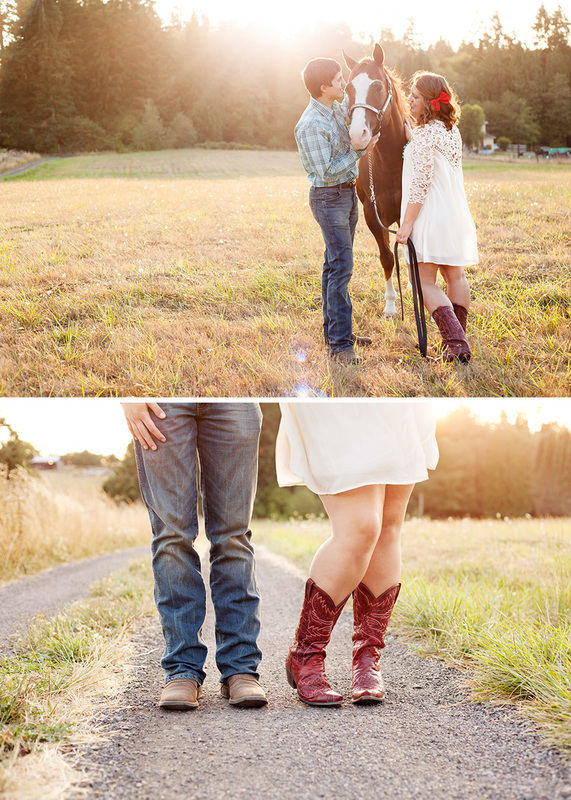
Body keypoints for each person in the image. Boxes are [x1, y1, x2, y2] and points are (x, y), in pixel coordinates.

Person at [276, 401, 438, 706]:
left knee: (387, 528)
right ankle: (306, 654)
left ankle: (367, 658)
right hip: (344, 414)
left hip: (398, 413)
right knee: (361, 527)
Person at [122, 402, 267, 710]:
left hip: (235, 403)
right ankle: (182, 669)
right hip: (161, 404)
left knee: (233, 536)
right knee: (172, 536)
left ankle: (240, 668)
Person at [295, 57, 378, 366]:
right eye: (340, 79)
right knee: (341, 266)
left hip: (346, 194)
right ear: (324, 87)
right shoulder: (310, 125)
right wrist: (360, 153)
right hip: (328, 198)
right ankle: (341, 346)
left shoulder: (337, 109)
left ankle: (335, 333)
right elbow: (327, 172)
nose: (344, 83)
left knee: (334, 265)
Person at [396, 72, 478, 363]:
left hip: (430, 215)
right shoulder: (449, 131)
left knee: (424, 282)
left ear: (430, 103)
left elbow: (419, 185)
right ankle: (457, 341)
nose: (409, 99)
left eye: (415, 96)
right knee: (455, 275)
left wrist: (406, 224)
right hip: (453, 213)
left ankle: (455, 343)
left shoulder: (422, 137)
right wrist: (413, 136)